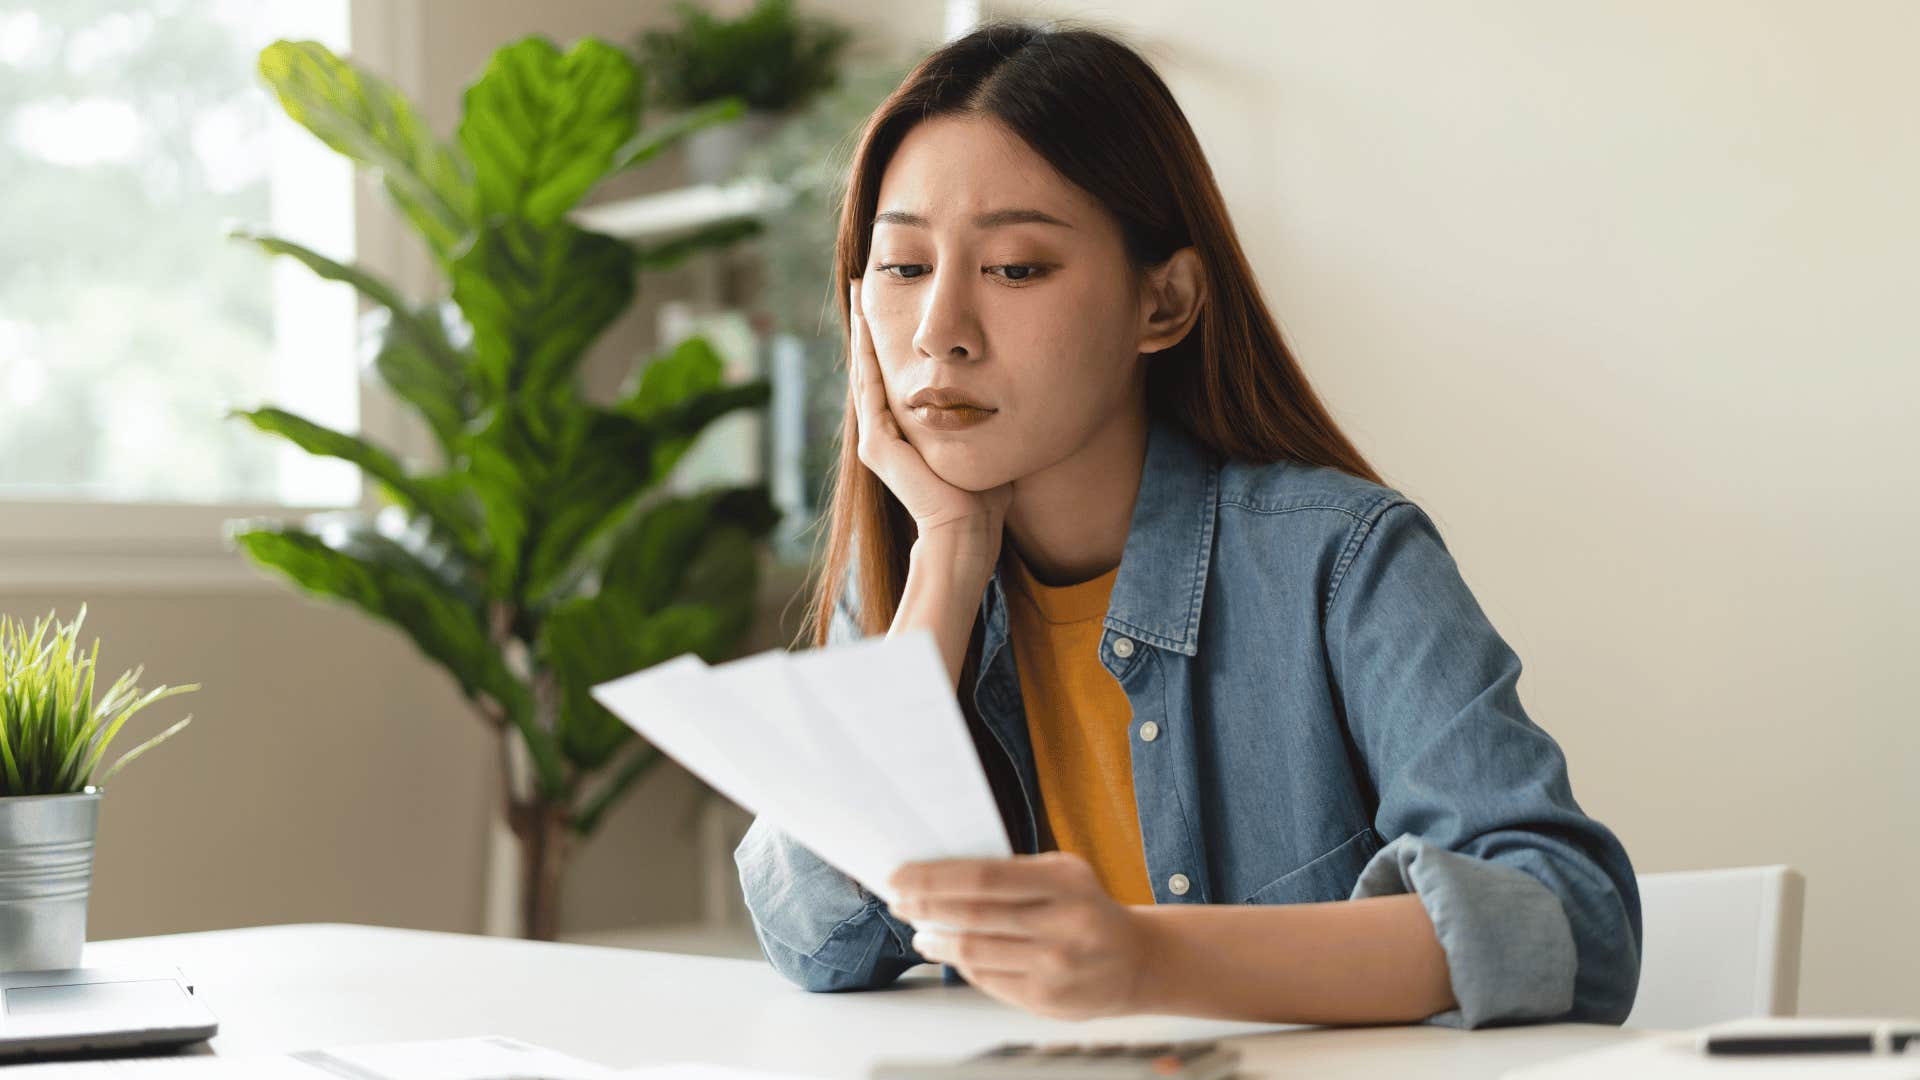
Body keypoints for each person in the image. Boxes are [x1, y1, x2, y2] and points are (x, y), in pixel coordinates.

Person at [733, 18, 1641, 1028]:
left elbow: (1567, 913)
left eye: (1017, 268)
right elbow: (813, 936)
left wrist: (1146, 956)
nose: (940, 330)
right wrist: (945, 564)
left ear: (1162, 302)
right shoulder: (908, 577)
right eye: (902, 269)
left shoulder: (1342, 561)